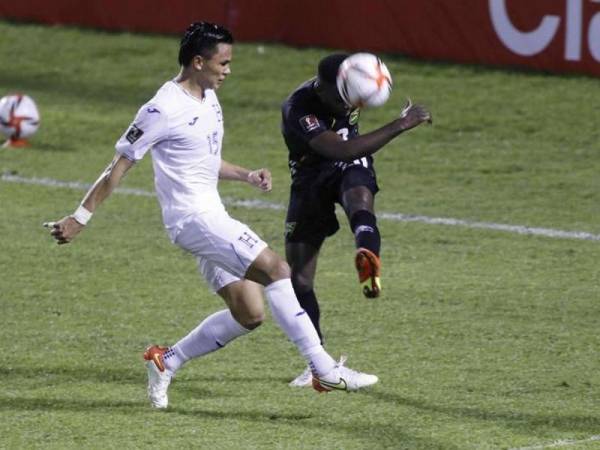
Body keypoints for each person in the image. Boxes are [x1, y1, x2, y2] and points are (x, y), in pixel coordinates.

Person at [44, 23, 379, 409]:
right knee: (278, 271)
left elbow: (200, 160)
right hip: (193, 220)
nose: (228, 70)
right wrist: (79, 218)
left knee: (250, 314)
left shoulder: (207, 97)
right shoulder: (162, 108)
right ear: (198, 61)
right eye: (223, 62)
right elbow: (118, 166)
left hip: (210, 214)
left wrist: (245, 175)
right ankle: (323, 368)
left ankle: (165, 360)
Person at [281, 53, 432, 387]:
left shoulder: (350, 84)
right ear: (323, 89)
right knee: (300, 278)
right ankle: (317, 364)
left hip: (350, 159)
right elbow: (338, 150)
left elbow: (350, 153)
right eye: (341, 100)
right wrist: (400, 124)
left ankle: (368, 256)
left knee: (360, 195)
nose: (346, 105)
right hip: (312, 174)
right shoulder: (299, 108)